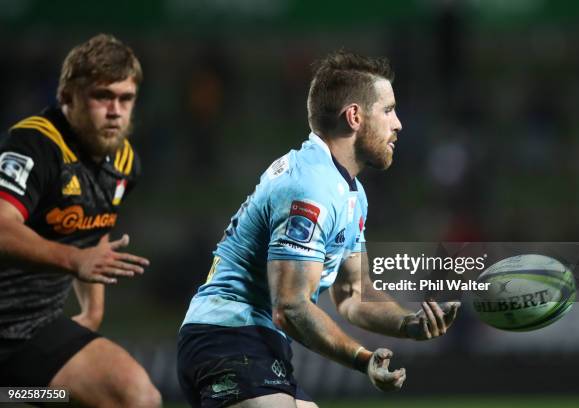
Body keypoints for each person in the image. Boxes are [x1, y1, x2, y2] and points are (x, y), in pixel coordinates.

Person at [177, 51, 461, 408]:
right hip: (227, 336)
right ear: (355, 116)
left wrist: (410, 323)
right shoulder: (311, 187)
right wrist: (362, 358)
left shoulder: (350, 193)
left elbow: (353, 295)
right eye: (388, 110)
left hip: (261, 345)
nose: (399, 123)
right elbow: (291, 307)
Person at [0, 34, 161, 407]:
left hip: (34, 329)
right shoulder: (34, 145)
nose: (115, 111)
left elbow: (92, 233)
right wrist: (74, 261)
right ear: (67, 98)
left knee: (137, 397)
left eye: (125, 98)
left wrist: (94, 310)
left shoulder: (123, 164)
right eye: (102, 96)